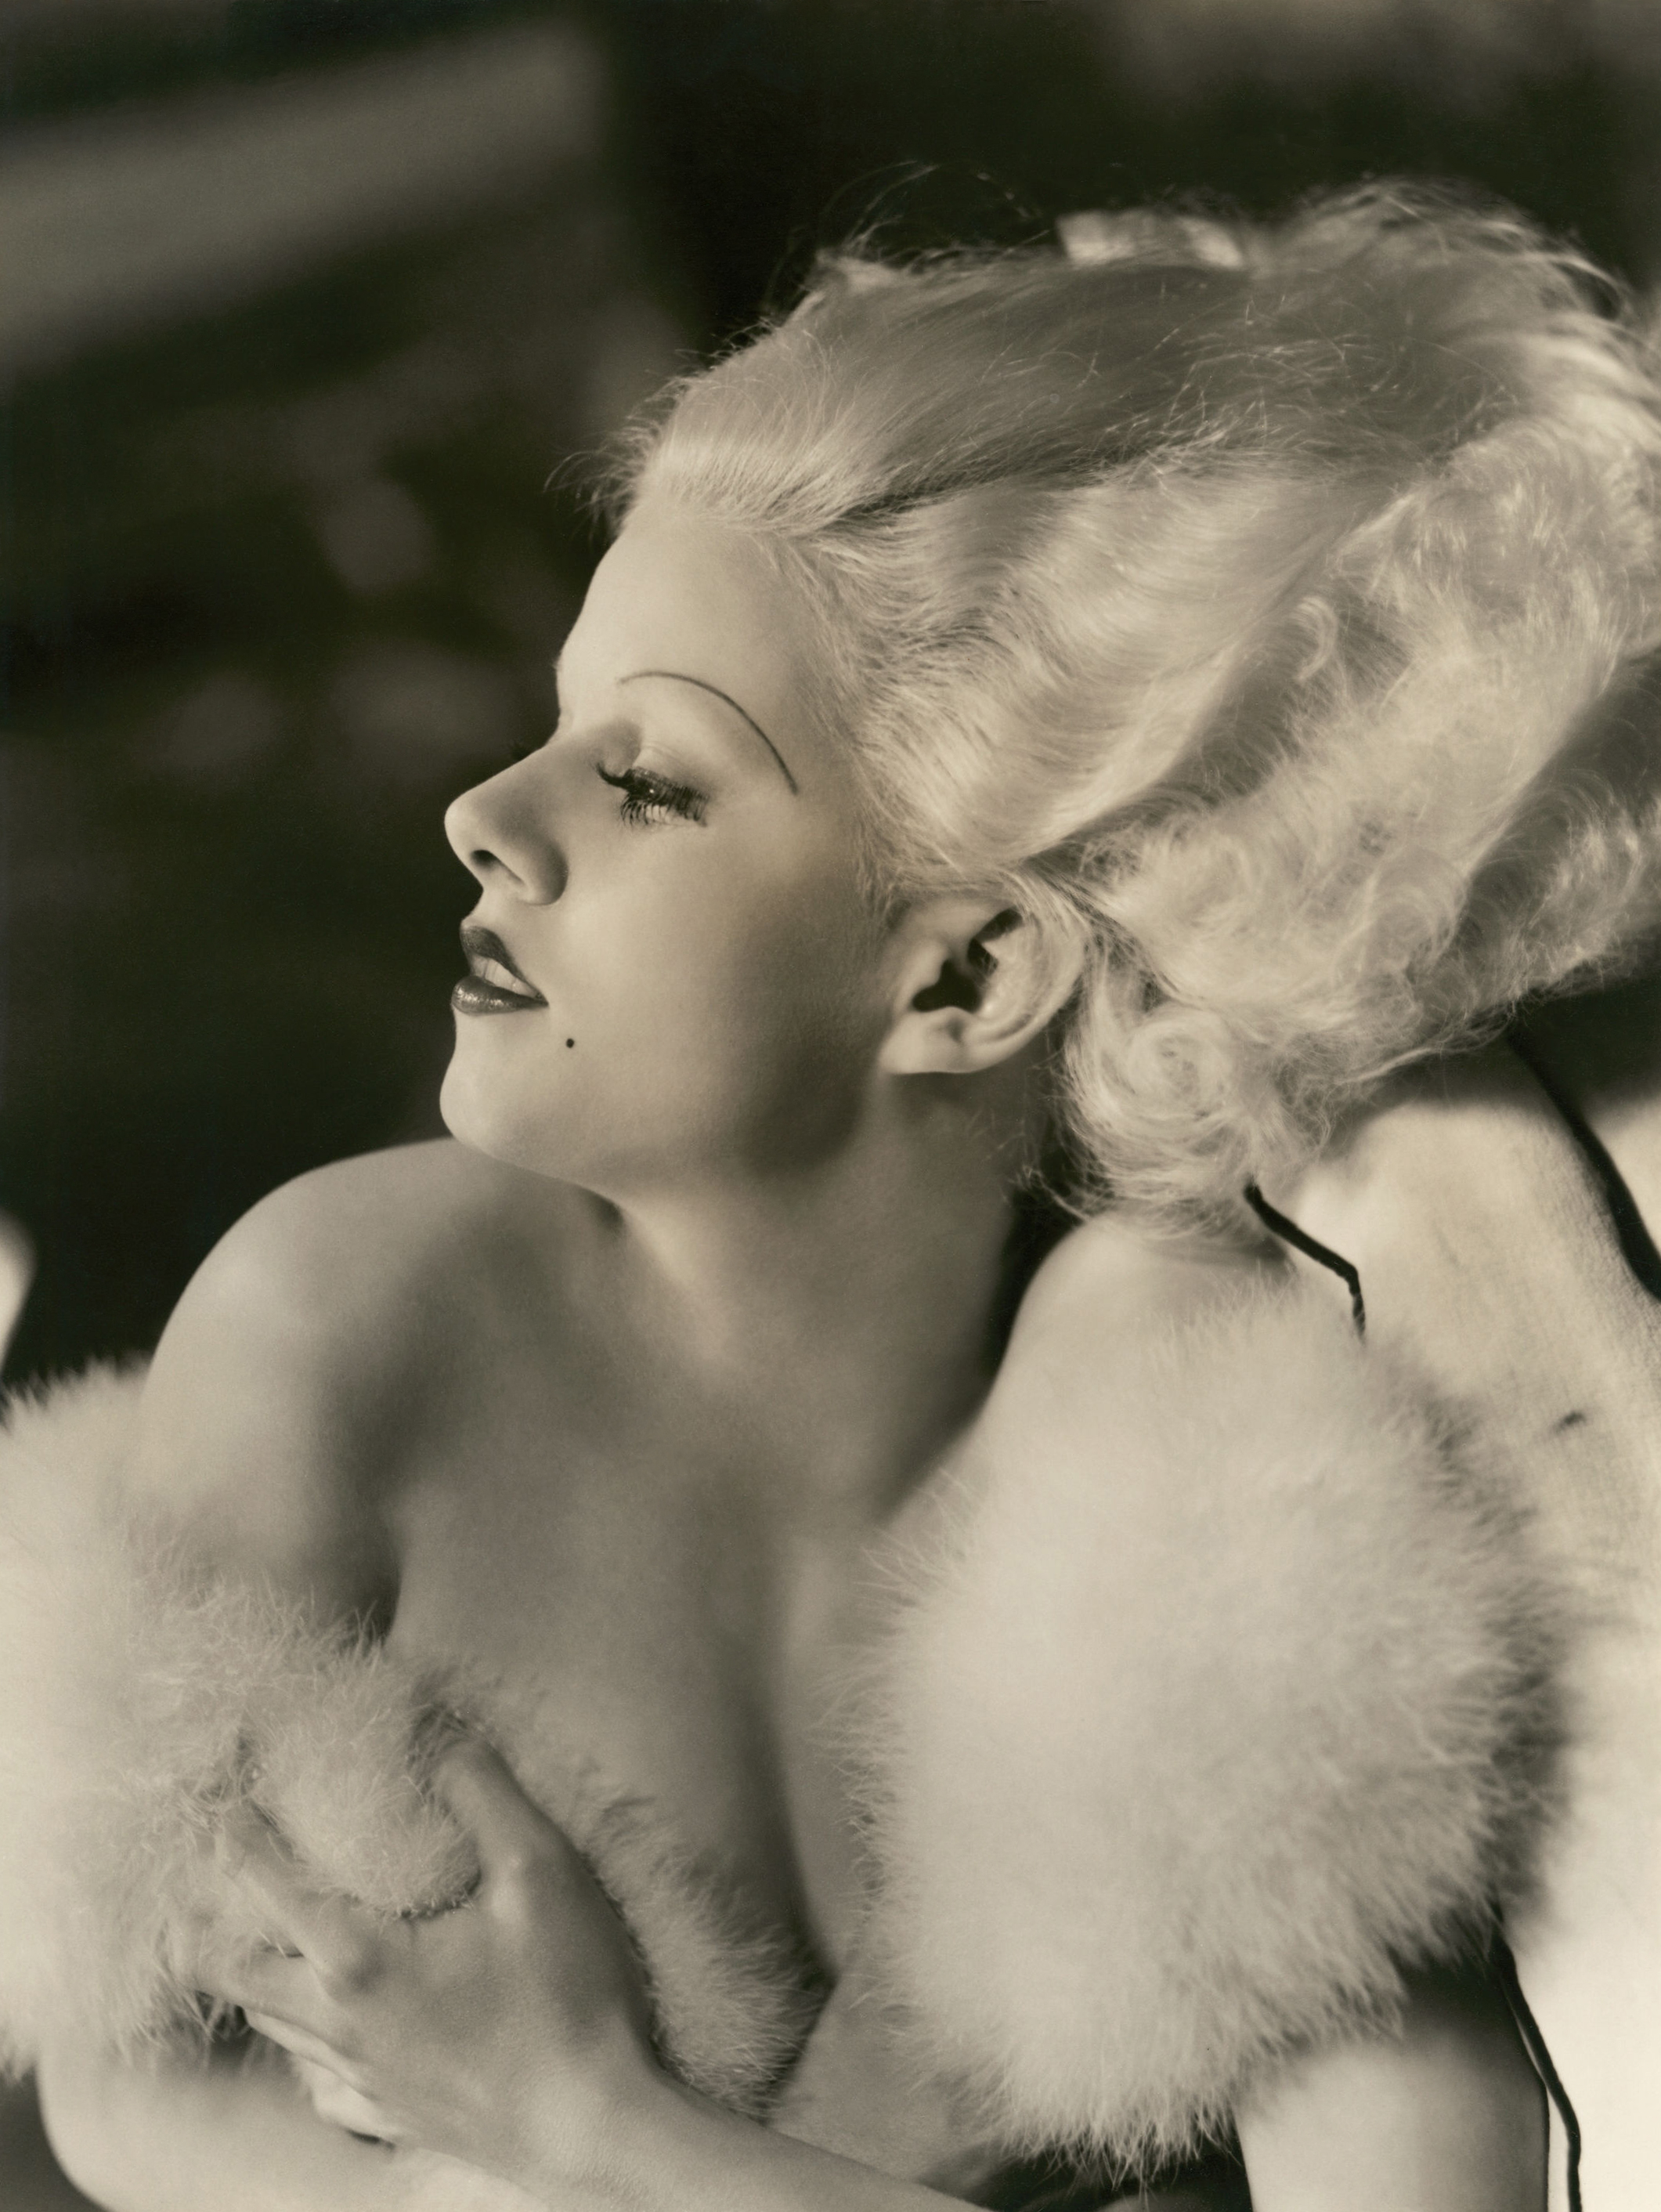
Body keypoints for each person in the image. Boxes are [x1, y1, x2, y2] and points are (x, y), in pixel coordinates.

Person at [21, 184, 1661, 2212]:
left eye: (647, 785)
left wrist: (593, 2134)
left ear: (963, 977)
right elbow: (133, 2104)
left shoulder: (1211, 1471)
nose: (482, 816)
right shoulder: (344, 1321)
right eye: (559, 728)